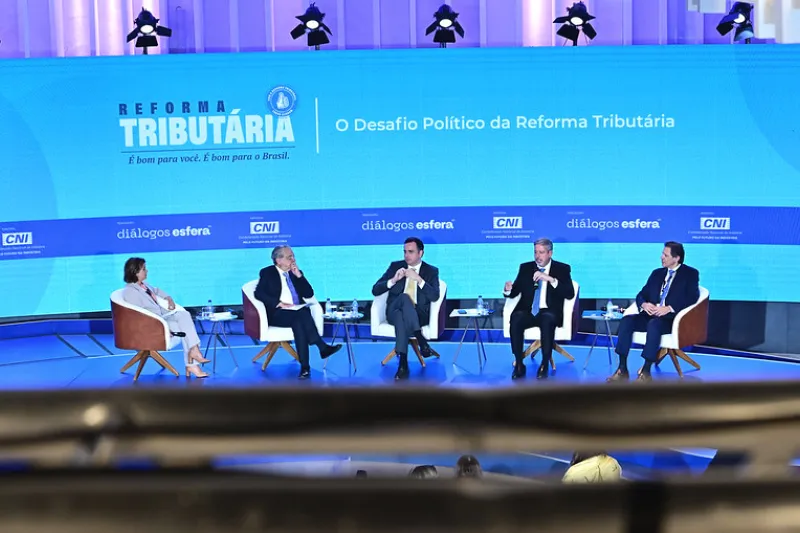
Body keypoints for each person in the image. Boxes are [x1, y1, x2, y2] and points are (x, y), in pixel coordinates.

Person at [608, 241, 700, 383]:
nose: (661, 257)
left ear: (677, 258)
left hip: (671, 320)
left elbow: (692, 298)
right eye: (662, 254)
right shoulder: (657, 274)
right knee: (627, 320)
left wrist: (669, 308)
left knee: (654, 325)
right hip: (650, 316)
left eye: (665, 255)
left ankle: (646, 371)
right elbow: (641, 295)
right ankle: (622, 368)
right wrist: (644, 304)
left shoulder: (690, 274)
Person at [254, 245, 341, 380]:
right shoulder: (268, 272)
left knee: (299, 320)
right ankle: (321, 346)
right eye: (289, 257)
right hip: (278, 313)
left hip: (296, 312)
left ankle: (305, 368)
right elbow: (258, 293)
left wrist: (299, 276)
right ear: (278, 260)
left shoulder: (295, 273)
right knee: (302, 315)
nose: (293, 259)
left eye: (293, 256)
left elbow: (309, 293)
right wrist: (278, 303)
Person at [121, 257, 209, 379]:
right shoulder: (130, 292)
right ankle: (192, 362)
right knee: (184, 327)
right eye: (143, 269)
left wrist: (169, 298)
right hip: (151, 327)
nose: (147, 271)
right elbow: (139, 317)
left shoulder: (144, 286)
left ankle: (193, 353)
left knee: (184, 316)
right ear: (134, 272)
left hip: (161, 319)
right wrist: (164, 329)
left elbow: (157, 290)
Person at [504, 238, 574, 380]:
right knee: (516, 317)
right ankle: (519, 362)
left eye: (541, 252)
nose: (537, 256)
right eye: (535, 252)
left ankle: (544, 363)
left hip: (549, 311)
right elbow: (515, 292)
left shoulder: (562, 268)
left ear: (550, 253)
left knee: (547, 318)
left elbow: (569, 293)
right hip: (529, 311)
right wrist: (508, 290)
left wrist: (550, 279)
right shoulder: (526, 268)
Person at [372, 237, 441, 381]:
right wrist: (393, 280)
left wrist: (419, 280)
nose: (406, 255)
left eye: (410, 252)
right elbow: (375, 290)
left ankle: (403, 364)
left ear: (420, 253)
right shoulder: (395, 266)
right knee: (403, 298)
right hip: (393, 308)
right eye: (405, 252)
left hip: (417, 314)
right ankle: (421, 340)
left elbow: (434, 296)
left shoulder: (431, 271)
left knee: (401, 318)